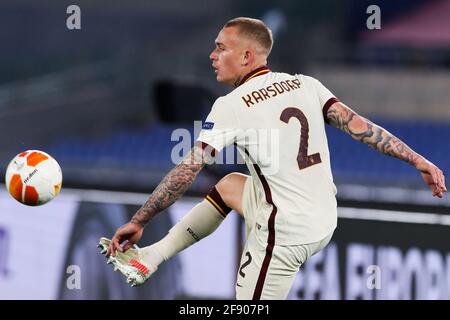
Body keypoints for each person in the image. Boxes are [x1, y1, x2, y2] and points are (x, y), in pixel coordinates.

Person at [98, 17, 447, 299]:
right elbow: (361, 127)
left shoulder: (231, 105)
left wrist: (140, 219)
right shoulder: (305, 84)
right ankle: (152, 256)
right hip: (324, 216)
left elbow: (186, 170)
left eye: (221, 48)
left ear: (248, 56)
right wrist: (417, 159)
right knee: (231, 185)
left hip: (286, 232)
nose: (212, 55)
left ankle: (151, 253)